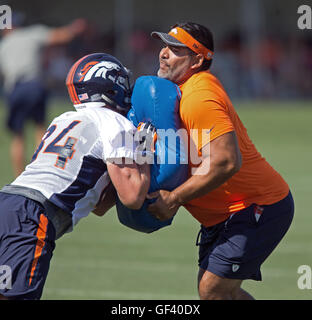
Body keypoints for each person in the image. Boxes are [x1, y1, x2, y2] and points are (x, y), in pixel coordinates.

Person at [147, 22, 294, 300]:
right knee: (221, 293)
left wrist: (174, 198)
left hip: (256, 205)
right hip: (224, 214)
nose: (164, 53)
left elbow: (226, 161)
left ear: (198, 59)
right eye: (164, 46)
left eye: (176, 49)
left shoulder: (199, 96)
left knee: (213, 290)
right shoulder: (175, 94)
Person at [0, 53, 154, 300]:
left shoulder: (64, 118)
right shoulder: (116, 123)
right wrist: (145, 147)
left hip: (8, 201)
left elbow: (98, 206)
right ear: (110, 86)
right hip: (32, 214)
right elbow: (133, 196)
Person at [0, 15, 87, 177]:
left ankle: (19, 176)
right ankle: (40, 171)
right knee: (40, 130)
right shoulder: (32, 34)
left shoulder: (4, 45)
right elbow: (61, 35)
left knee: (17, 136)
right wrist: (74, 28)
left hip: (15, 89)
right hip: (34, 86)